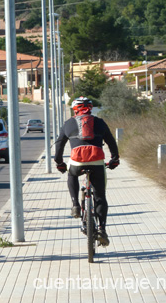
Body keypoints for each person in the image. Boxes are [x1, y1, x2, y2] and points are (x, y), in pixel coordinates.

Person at [54, 96, 120, 246]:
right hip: (97, 162)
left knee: (71, 174)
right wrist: (114, 159)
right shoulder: (100, 122)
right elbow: (111, 142)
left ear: (74, 109)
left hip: (77, 162)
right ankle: (102, 228)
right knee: (100, 196)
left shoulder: (68, 123)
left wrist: (59, 163)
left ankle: (75, 204)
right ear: (90, 108)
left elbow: (59, 146)